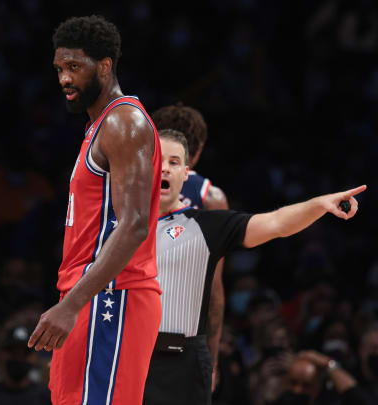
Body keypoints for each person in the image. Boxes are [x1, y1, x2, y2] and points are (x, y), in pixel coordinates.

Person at [143, 129, 365, 405]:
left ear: (186, 173)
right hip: (125, 354)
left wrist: (318, 204)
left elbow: (277, 223)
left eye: (174, 162)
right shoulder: (118, 226)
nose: (165, 168)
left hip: (180, 362)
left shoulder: (207, 225)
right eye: (158, 160)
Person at [27, 15, 163, 405]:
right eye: (59, 69)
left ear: (104, 66)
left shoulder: (124, 122)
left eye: (74, 67)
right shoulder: (99, 126)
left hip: (112, 296)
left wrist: (71, 305)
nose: (64, 79)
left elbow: (135, 225)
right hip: (91, 294)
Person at [152, 104, 228, 386]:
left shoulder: (125, 184)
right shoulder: (211, 197)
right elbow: (214, 293)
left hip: (130, 325)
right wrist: (213, 360)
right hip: (180, 338)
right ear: (198, 150)